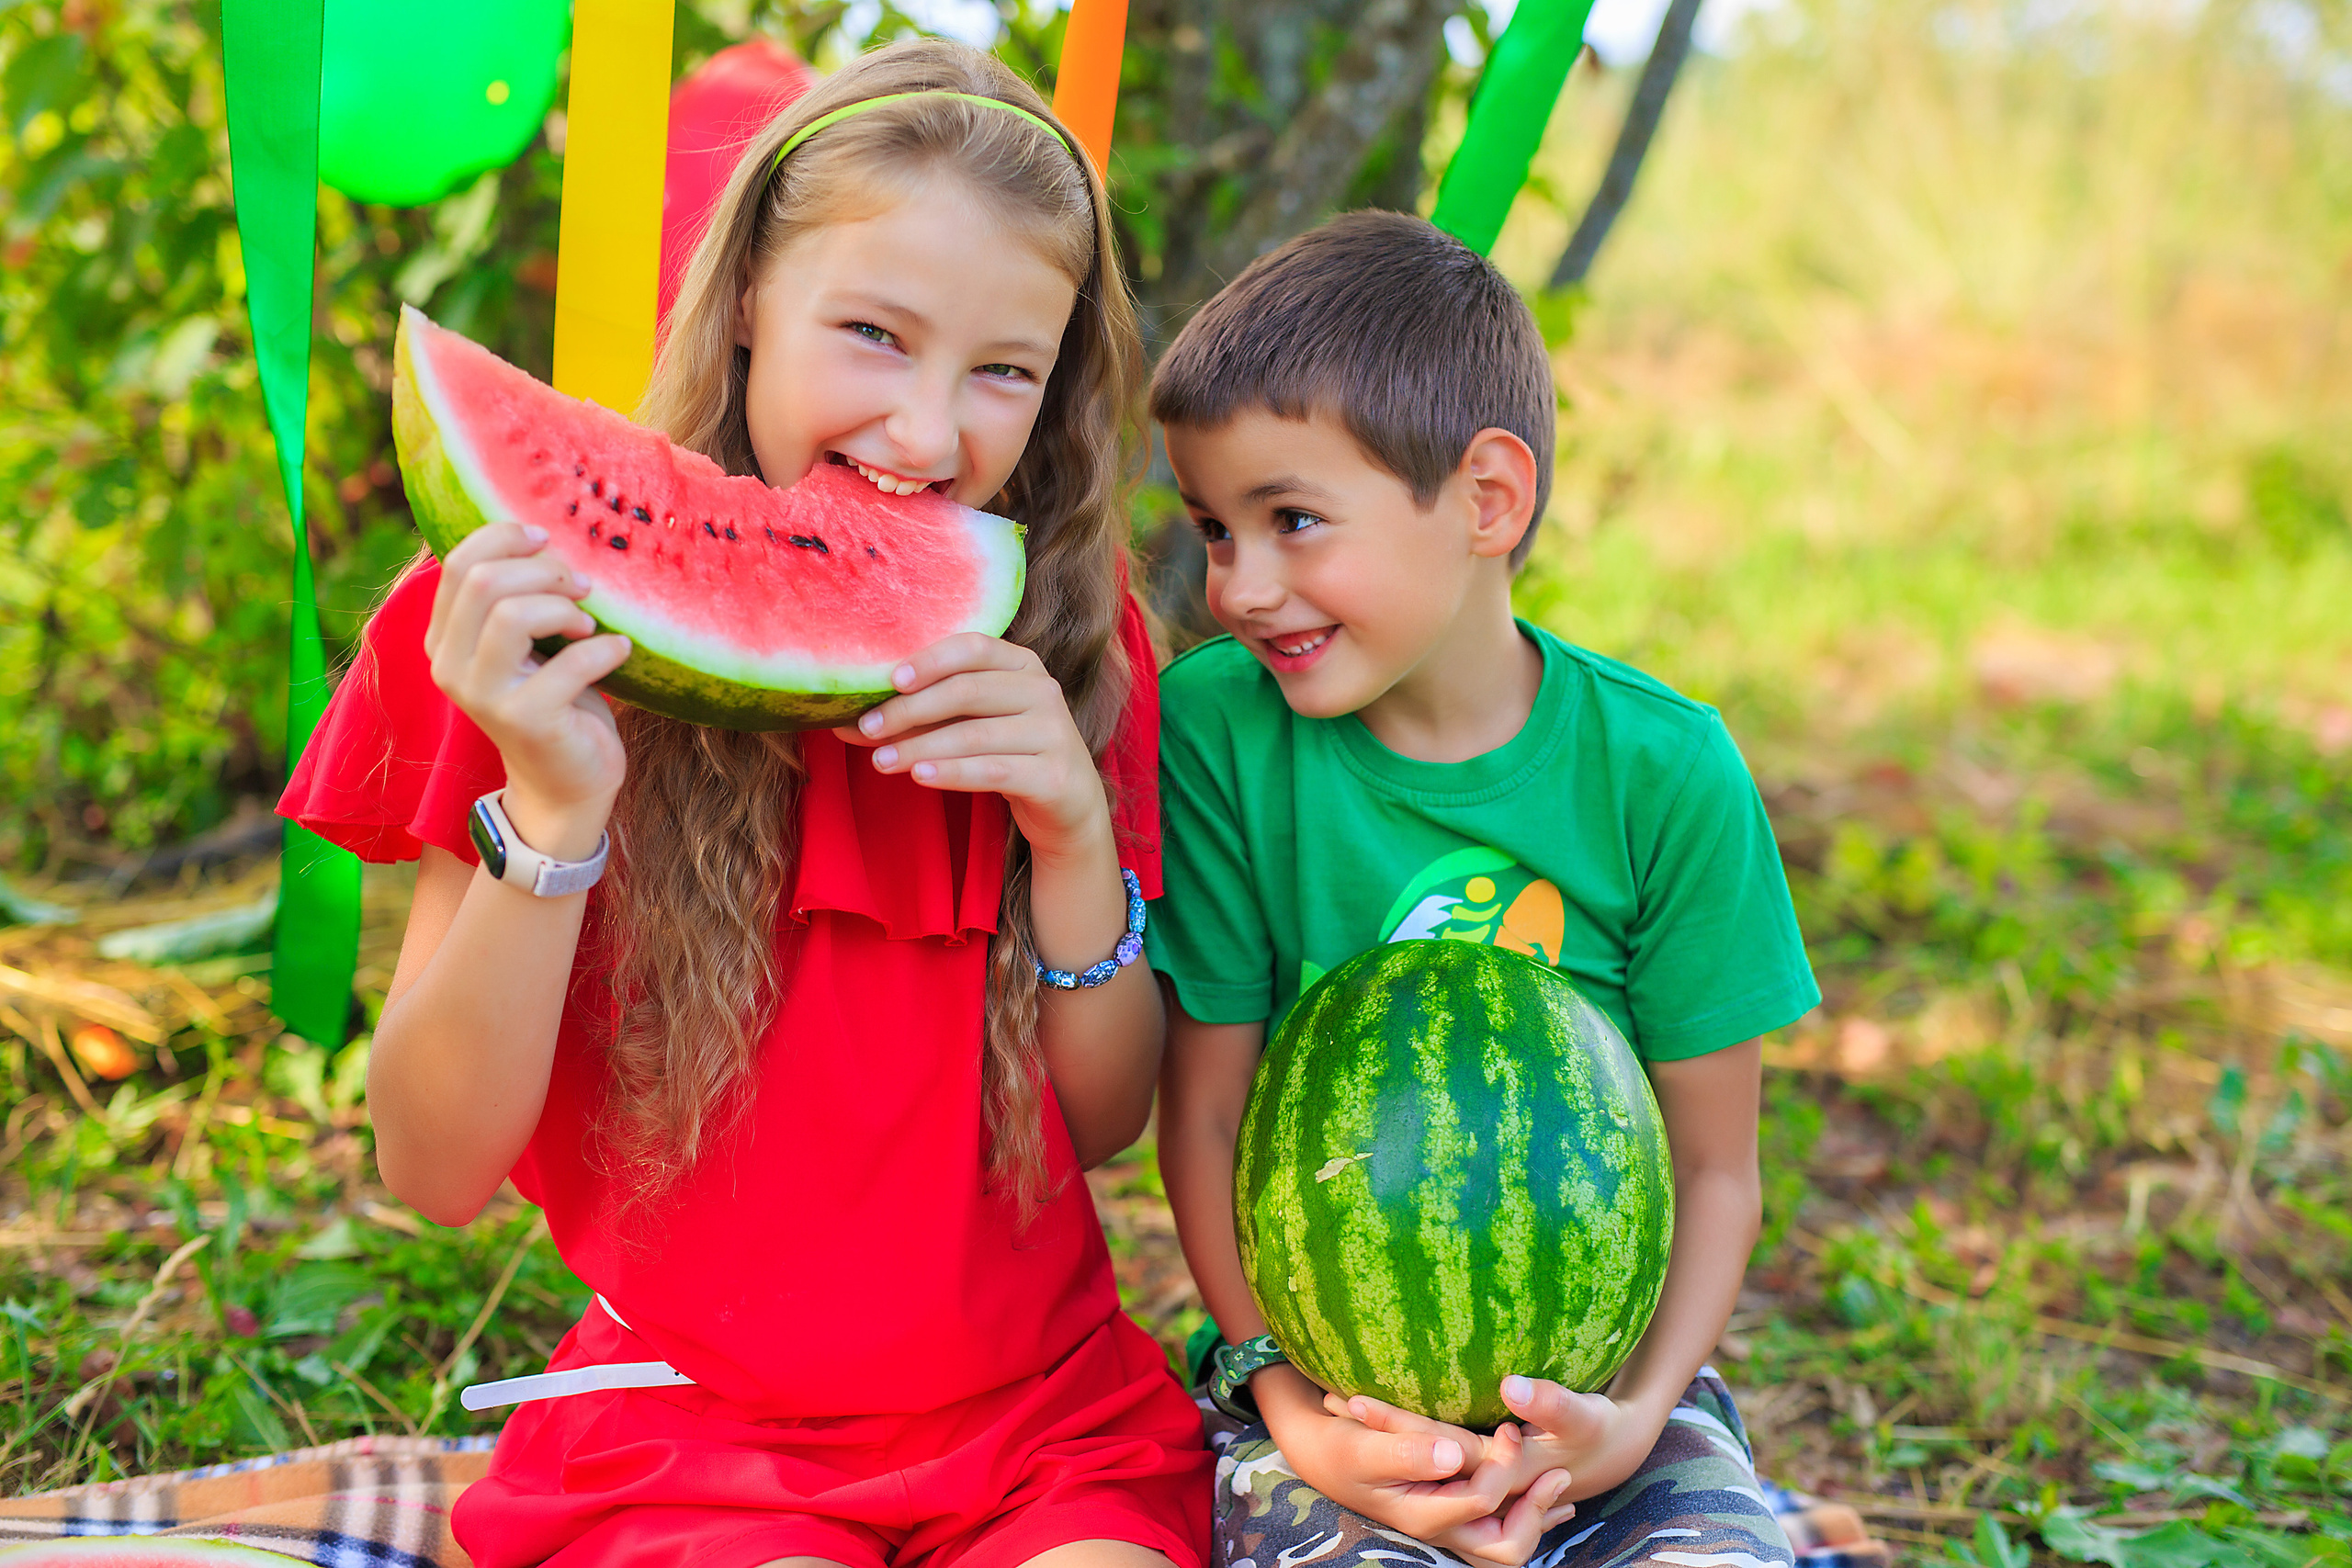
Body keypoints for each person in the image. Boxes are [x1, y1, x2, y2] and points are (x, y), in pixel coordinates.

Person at [280, 39, 1209, 1568]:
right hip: (693, 1439)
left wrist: (1072, 836)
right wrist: (557, 813)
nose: (924, 433)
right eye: (871, 335)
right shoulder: (526, 631)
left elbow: (1096, 1124)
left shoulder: (1072, 639)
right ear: (748, 302)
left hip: (1044, 1429)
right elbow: (432, 1168)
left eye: (1002, 371)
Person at [1146, 211, 1822, 1568]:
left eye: (1292, 519)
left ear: (1489, 500)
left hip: (1605, 1399)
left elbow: (1716, 1167)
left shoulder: (1664, 771)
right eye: (1214, 529)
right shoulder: (1218, 731)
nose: (1241, 585)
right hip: (1321, 1392)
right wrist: (1294, 1404)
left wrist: (1630, 1419)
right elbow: (1208, 1114)